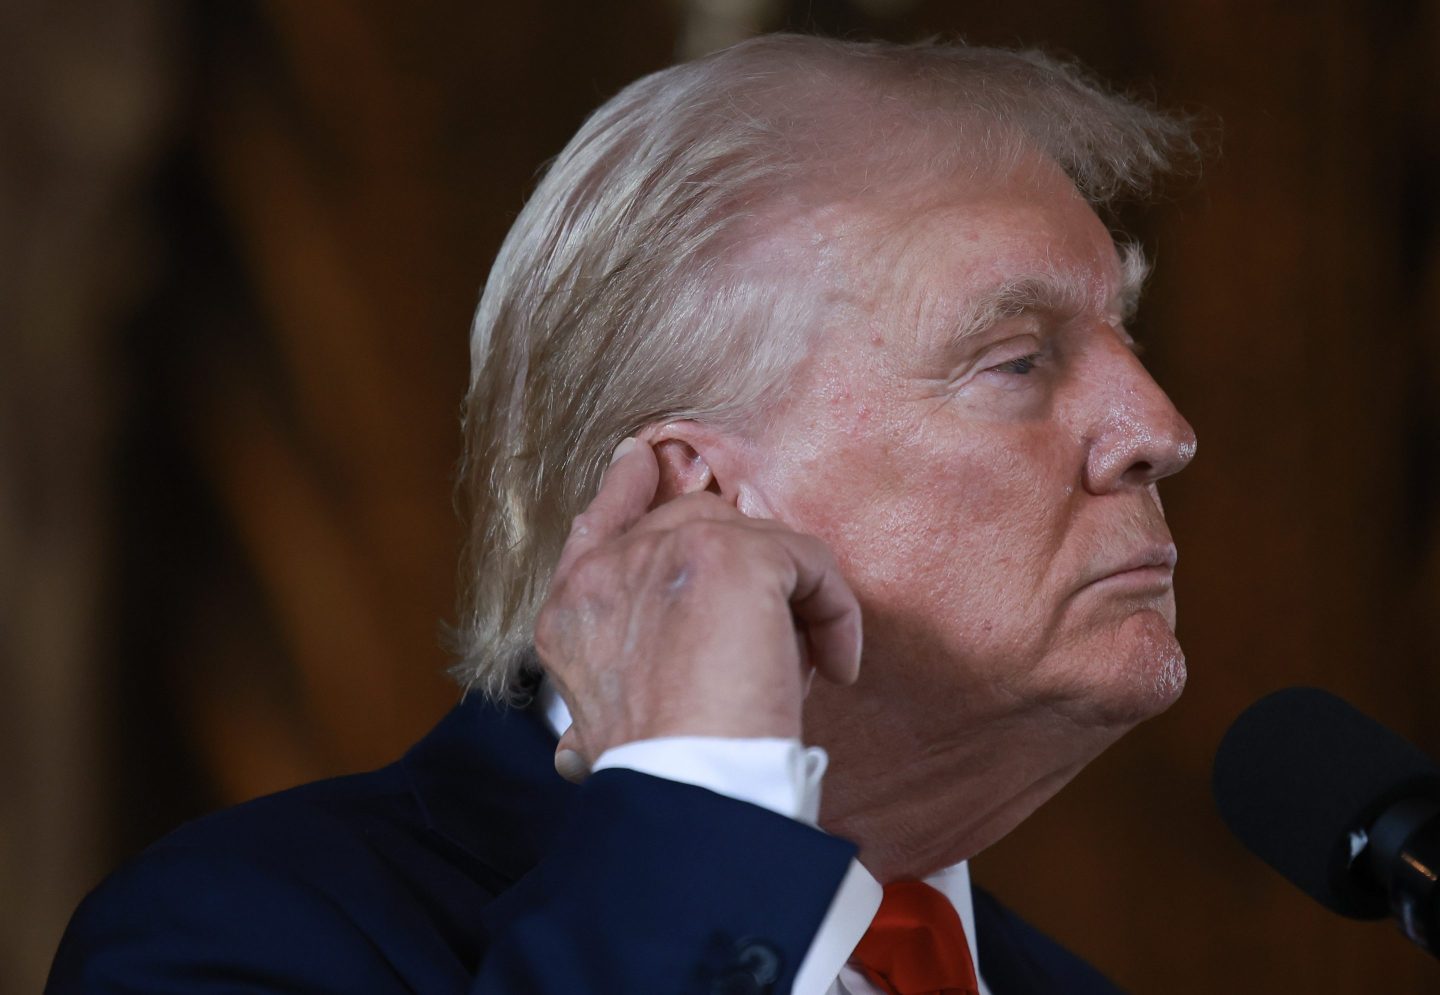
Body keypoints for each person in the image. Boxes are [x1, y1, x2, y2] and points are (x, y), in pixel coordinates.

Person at [48, 33, 1198, 995]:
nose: (1160, 426)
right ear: (698, 499)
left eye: (1127, 338)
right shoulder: (236, 934)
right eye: (1016, 359)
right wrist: (698, 791)